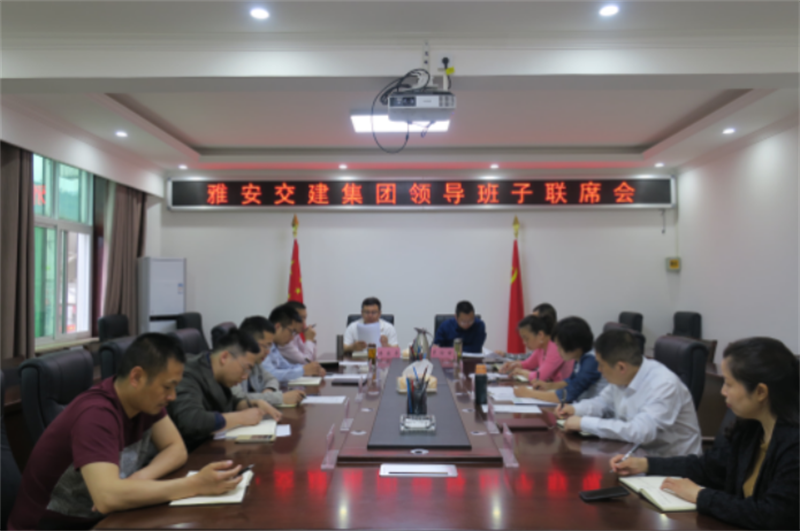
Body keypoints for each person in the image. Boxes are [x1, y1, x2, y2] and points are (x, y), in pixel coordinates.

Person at [9, 334, 245, 531]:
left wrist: (139, 478)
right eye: (167, 386)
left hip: (105, 519)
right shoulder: (96, 414)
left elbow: (176, 449)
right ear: (137, 377)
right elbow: (107, 498)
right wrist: (195, 485)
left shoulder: (144, 401)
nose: (172, 396)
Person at [611, 337, 800, 531]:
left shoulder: (794, 444)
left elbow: (774, 515)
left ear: (760, 392)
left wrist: (701, 496)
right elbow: (709, 467)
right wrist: (645, 464)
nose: (723, 391)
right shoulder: (752, 427)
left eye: (729, 384)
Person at [557, 329, 701, 457]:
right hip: (636, 456)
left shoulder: (664, 385)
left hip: (672, 466)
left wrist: (584, 423)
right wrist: (575, 409)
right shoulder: (624, 376)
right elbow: (602, 402)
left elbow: (640, 432)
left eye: (601, 365)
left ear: (621, 367)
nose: (599, 370)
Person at [167, 328, 282, 452]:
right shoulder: (186, 373)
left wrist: (253, 404)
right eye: (246, 368)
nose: (245, 377)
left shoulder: (215, 371)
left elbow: (227, 402)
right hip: (192, 453)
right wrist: (240, 417)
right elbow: (191, 421)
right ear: (224, 357)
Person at [514, 316, 607, 403]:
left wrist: (531, 394)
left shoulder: (592, 361)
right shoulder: (580, 356)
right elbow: (570, 381)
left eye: (559, 346)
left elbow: (569, 394)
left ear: (572, 344)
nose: (557, 350)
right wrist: (549, 386)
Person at [234, 316, 305, 406]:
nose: (268, 352)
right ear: (251, 342)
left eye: (270, 346)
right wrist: (280, 398)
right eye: (266, 346)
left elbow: (272, 379)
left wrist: (268, 391)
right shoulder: (234, 364)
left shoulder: (256, 362)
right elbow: (239, 398)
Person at [500, 314, 574, 384]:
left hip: (563, 390)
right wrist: (514, 365)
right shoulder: (541, 347)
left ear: (540, 335)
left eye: (526, 338)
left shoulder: (555, 347)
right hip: (550, 387)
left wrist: (521, 372)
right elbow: (527, 364)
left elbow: (539, 377)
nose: (524, 343)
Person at [261, 304, 326, 382]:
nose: (292, 338)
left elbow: (288, 367)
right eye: (291, 332)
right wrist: (304, 370)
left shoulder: (274, 346)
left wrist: (311, 368)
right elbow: (270, 374)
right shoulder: (262, 346)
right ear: (277, 327)